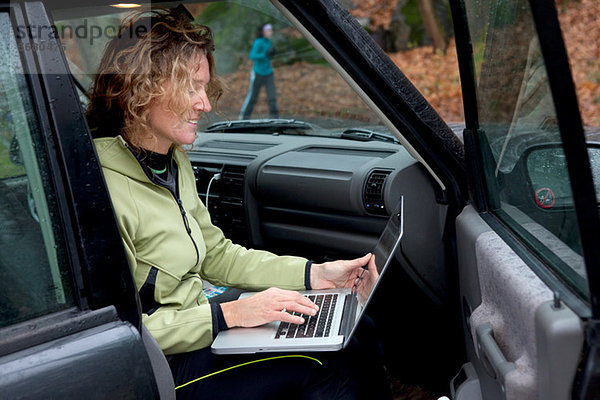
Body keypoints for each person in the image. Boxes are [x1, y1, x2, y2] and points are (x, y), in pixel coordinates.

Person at [87, 7, 391, 399]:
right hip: (161, 365)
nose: (205, 104)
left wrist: (316, 275)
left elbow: (216, 255)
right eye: (190, 87)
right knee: (326, 363)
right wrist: (229, 315)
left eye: (205, 87)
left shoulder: (172, 159)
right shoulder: (101, 189)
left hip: (200, 322)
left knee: (356, 327)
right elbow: (119, 334)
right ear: (143, 86)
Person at [239, 23, 279, 119]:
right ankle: (243, 117)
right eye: (269, 30)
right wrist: (265, 54)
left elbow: (268, 56)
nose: (271, 32)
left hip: (268, 73)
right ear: (263, 32)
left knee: (272, 98)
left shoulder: (269, 42)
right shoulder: (258, 42)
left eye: (271, 30)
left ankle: (275, 119)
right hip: (257, 73)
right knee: (252, 98)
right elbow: (252, 56)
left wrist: (272, 54)